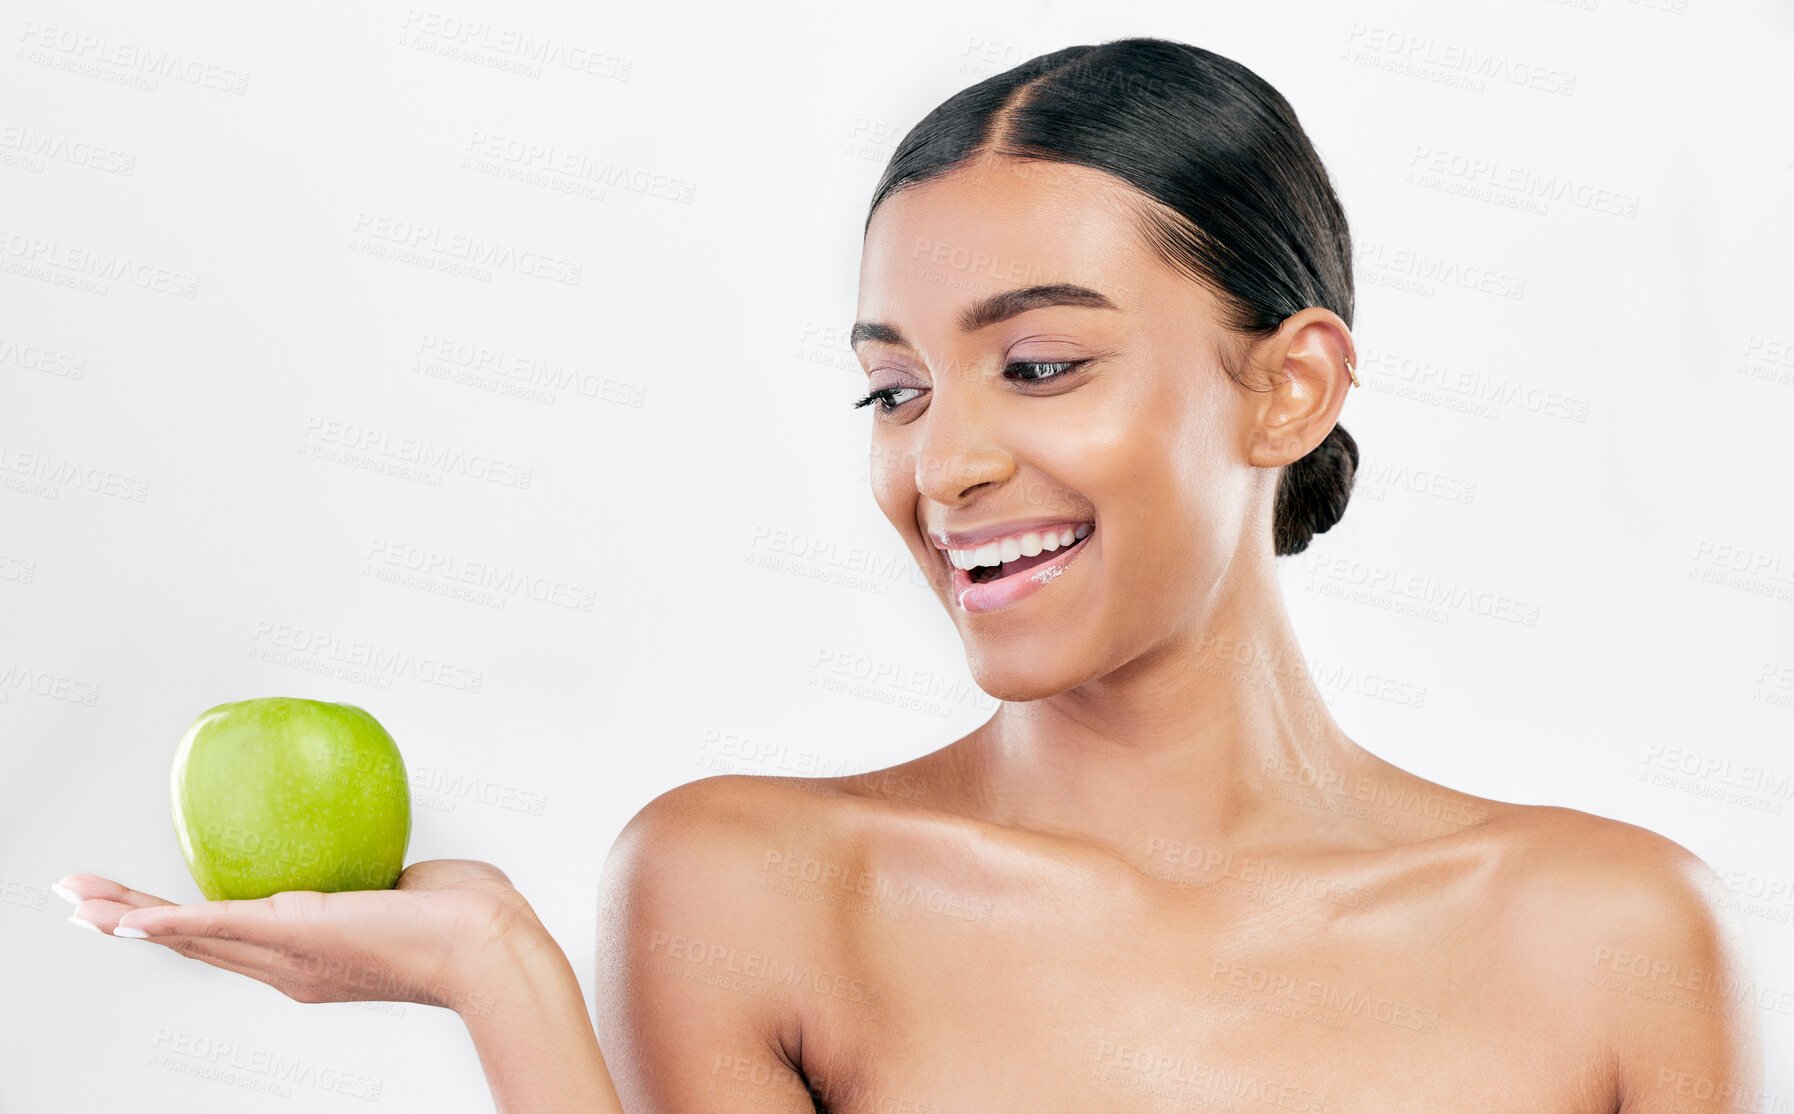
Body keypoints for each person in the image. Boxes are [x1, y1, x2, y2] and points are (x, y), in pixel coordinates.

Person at [57, 37, 1761, 1113]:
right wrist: (498, 973)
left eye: (1036, 367)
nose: (937, 464)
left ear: (1287, 385)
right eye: (892, 386)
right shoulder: (757, 887)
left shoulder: (1609, 933)